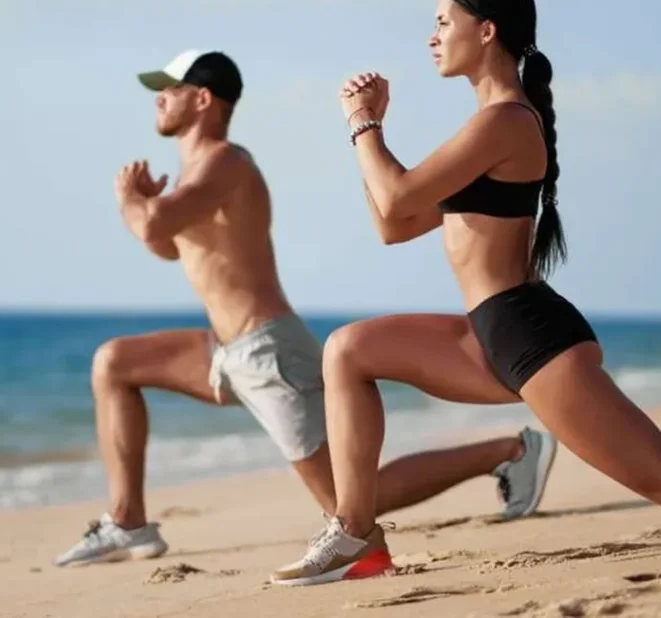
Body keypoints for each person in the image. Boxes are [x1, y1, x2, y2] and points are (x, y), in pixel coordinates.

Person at [269, 0, 661, 587]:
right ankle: (356, 536)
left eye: (443, 22)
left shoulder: (504, 121)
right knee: (348, 349)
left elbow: (394, 202)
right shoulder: (488, 124)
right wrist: (372, 135)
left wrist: (362, 124)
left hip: (529, 335)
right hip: (489, 331)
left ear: (487, 30)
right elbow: (393, 224)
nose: (432, 36)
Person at [54, 49, 561, 567]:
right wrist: (147, 206)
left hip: (267, 352)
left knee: (350, 499)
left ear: (202, 99)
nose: (159, 98)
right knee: (114, 363)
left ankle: (509, 451)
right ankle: (128, 523)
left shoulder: (226, 162)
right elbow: (166, 245)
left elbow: (154, 228)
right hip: (223, 353)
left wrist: (131, 200)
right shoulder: (193, 177)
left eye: (170, 87)